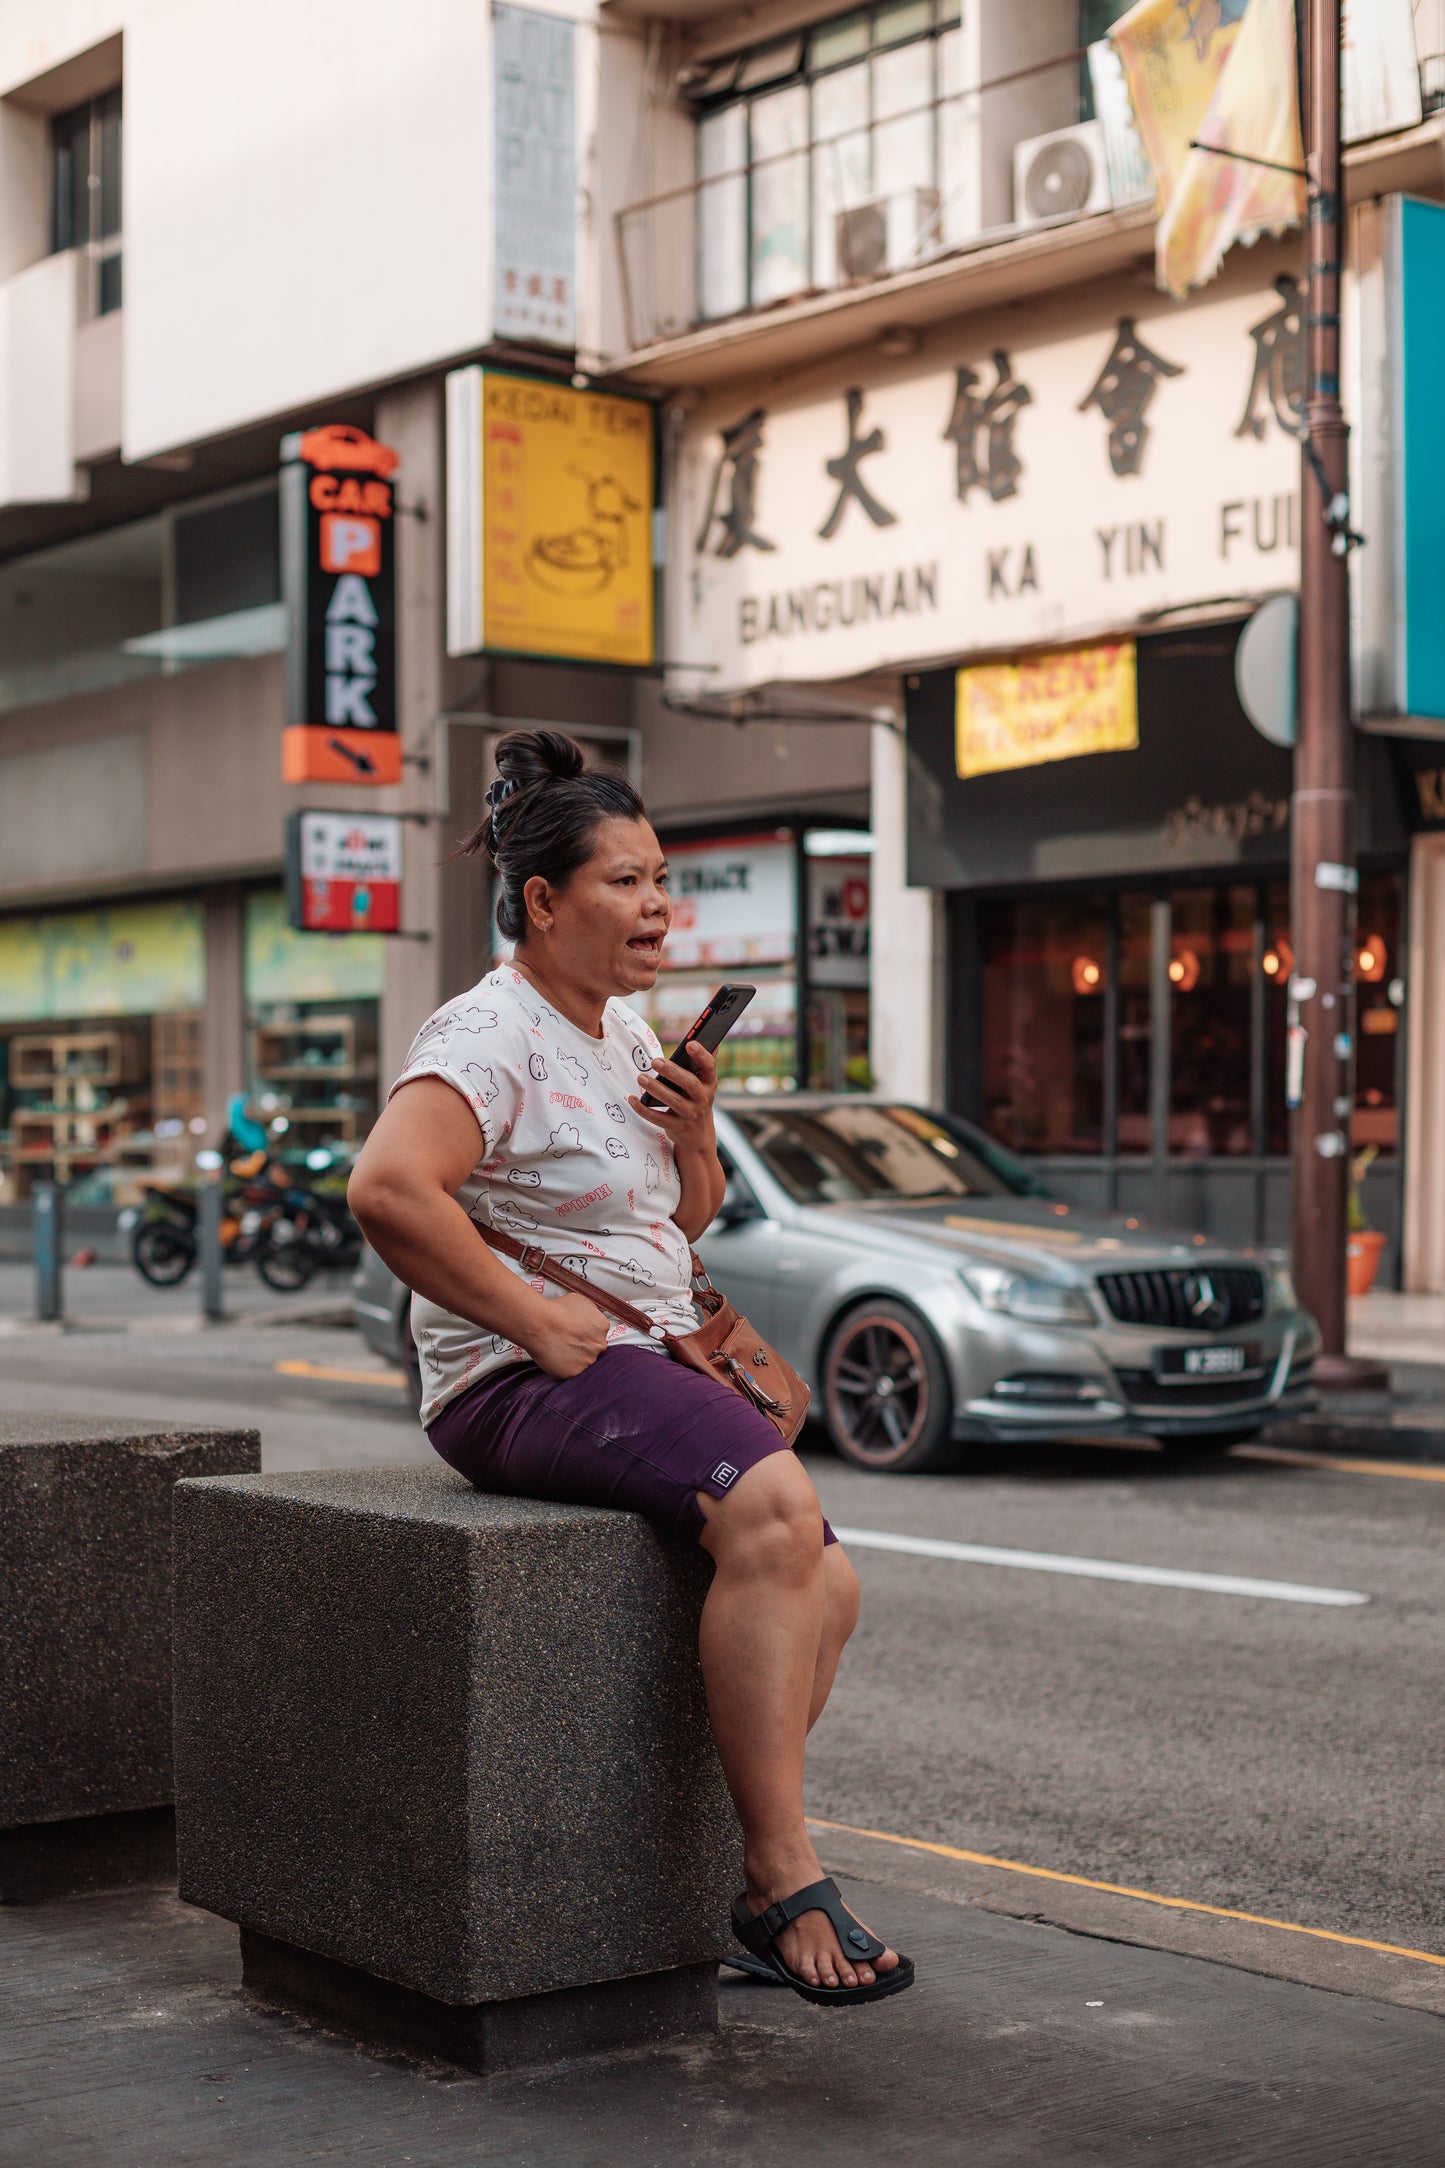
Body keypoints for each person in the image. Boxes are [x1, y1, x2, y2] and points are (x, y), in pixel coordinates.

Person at [348, 729, 912, 2007]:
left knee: (827, 1579)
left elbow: (675, 1221)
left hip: (640, 1346)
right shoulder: (489, 1031)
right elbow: (387, 1187)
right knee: (775, 1509)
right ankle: (777, 1874)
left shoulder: (615, 1031)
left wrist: (696, 1133)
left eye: (662, 878)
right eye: (625, 881)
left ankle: (720, 1864)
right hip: (514, 1377)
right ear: (543, 901)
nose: (658, 905)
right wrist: (530, 1321)